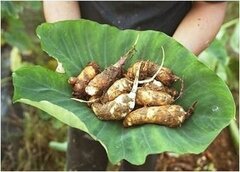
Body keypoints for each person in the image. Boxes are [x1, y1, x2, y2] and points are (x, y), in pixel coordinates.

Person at [43, 1, 227, 171]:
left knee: (143, 148)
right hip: (90, 54)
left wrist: (167, 66)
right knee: (84, 149)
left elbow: (210, 5)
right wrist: (69, 50)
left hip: (162, 53)